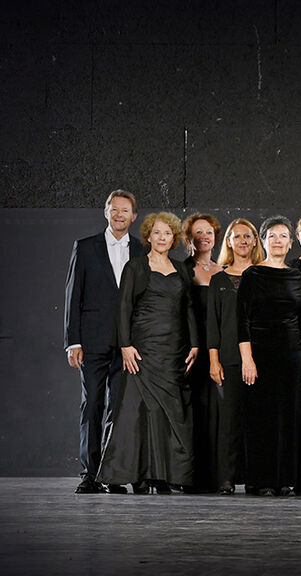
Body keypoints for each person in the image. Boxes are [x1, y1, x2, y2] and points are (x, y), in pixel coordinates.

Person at [96, 212, 199, 494]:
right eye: (157, 233)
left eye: (167, 233)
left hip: (173, 349)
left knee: (169, 413)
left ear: (173, 238)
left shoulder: (181, 269)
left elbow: (189, 307)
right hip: (142, 349)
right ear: (148, 236)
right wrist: (126, 346)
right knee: (135, 411)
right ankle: (128, 475)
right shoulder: (136, 266)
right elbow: (124, 307)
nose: (162, 238)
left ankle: (162, 475)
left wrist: (194, 344)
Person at [64, 189, 144, 494]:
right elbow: (73, 295)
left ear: (134, 216)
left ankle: (111, 475)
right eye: (114, 209)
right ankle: (90, 474)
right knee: (93, 405)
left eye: (125, 210)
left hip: (128, 345)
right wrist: (73, 341)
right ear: (106, 212)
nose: (119, 214)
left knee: (119, 410)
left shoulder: (142, 251)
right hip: (93, 342)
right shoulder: (85, 247)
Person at [237, 216, 301, 496]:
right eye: (272, 236)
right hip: (259, 354)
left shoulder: (299, 278)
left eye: (283, 236)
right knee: (261, 417)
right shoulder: (252, 275)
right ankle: (261, 480)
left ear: (291, 243)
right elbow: (242, 320)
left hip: (292, 355)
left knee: (289, 417)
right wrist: (247, 359)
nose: (278, 241)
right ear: (263, 241)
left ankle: (287, 479)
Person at [205, 218, 262, 494]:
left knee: (256, 421)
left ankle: (256, 478)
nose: (242, 241)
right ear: (228, 242)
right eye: (237, 236)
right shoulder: (218, 279)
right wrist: (213, 360)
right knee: (228, 422)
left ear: (255, 241)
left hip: (260, 359)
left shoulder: (263, 276)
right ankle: (226, 478)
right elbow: (212, 324)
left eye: (247, 236)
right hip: (228, 359)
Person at [182, 213, 221, 493]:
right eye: (198, 232)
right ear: (189, 238)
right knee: (192, 410)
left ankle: (213, 475)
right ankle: (190, 476)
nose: (204, 237)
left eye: (209, 232)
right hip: (191, 350)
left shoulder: (223, 270)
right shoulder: (182, 270)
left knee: (215, 412)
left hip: (216, 349)